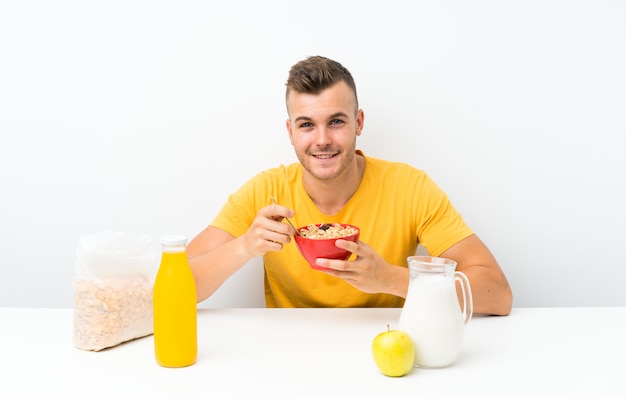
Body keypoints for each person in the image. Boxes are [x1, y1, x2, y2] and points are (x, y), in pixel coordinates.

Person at [187, 55, 513, 315]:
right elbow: (172, 288)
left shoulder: (410, 188)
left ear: (358, 122)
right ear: (290, 132)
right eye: (306, 125)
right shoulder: (264, 193)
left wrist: (391, 279)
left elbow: (497, 295)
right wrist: (244, 247)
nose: (323, 140)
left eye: (336, 121)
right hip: (286, 358)